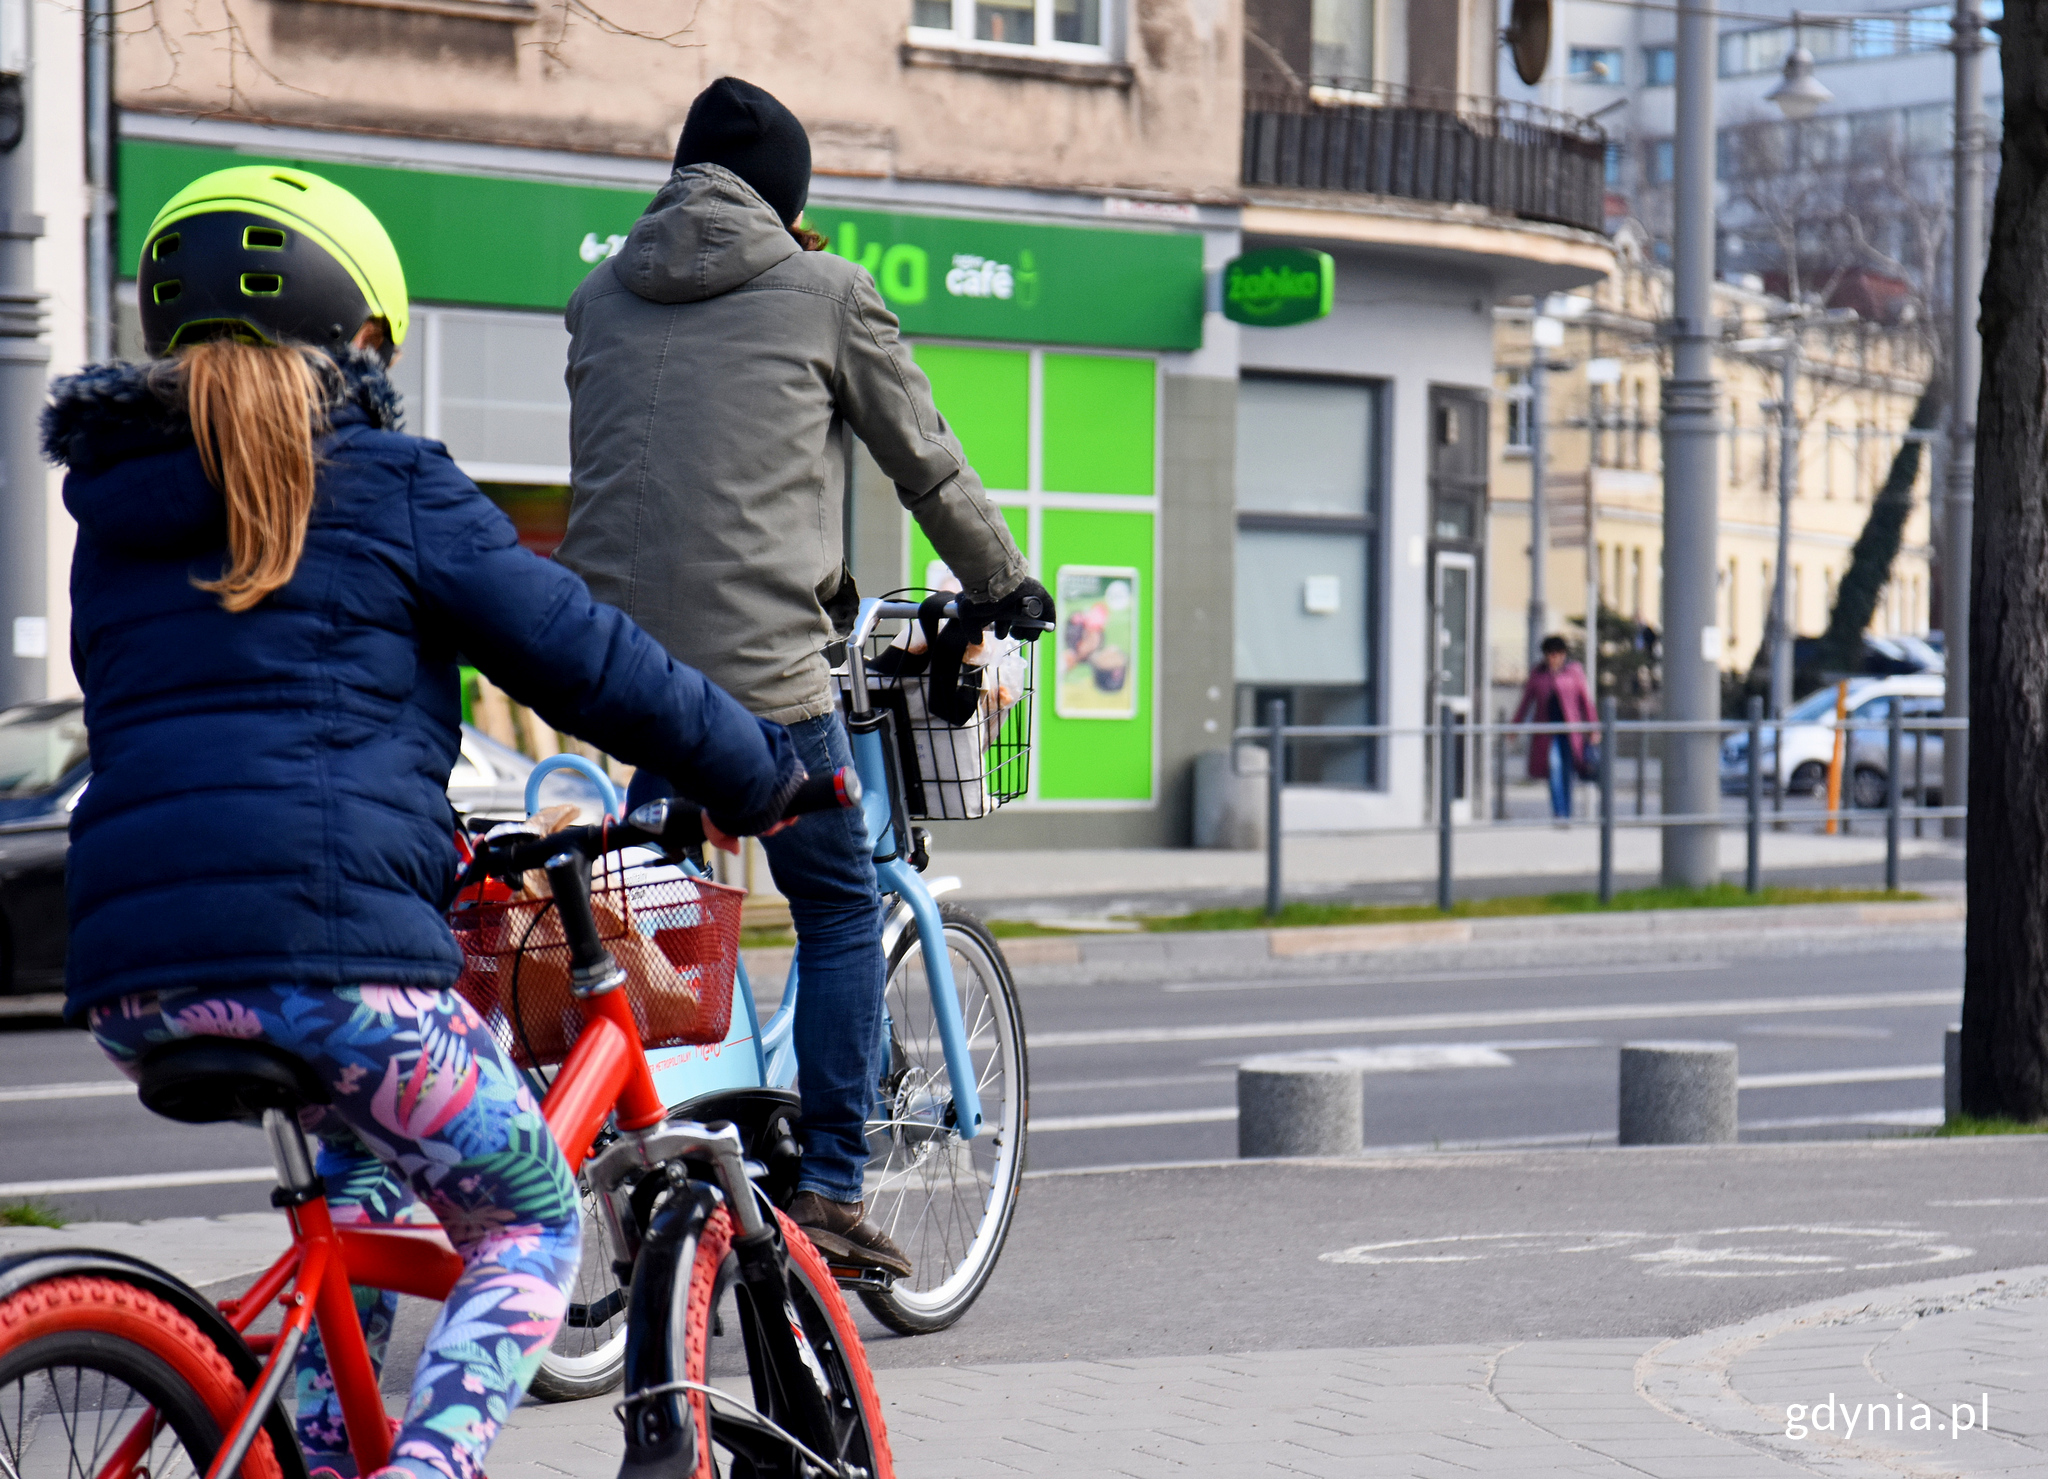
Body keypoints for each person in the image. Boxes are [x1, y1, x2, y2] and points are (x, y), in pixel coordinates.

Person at [46, 166, 801, 1479]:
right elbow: (584, 656)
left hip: (133, 973)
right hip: (336, 961)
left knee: (369, 1195)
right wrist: (762, 768)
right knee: (527, 1209)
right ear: (366, 340)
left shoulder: (110, 525)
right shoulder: (390, 481)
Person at [557, 77, 1051, 1278]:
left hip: (609, 666)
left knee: (644, 900)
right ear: (788, 194)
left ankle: (639, 1135)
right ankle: (828, 1185)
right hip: (767, 673)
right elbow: (923, 464)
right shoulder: (828, 292)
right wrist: (1005, 584)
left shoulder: (596, 300)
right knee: (834, 898)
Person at [1513, 635, 1597, 821]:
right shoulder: (1538, 674)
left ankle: (1567, 811)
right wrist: (1515, 726)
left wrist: (1593, 728)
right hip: (1548, 733)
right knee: (1554, 767)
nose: (1554, 658)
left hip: (1570, 732)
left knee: (1568, 771)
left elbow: (1585, 702)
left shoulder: (1574, 672)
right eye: (1551, 654)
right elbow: (1525, 703)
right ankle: (1559, 812)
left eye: (1558, 653)